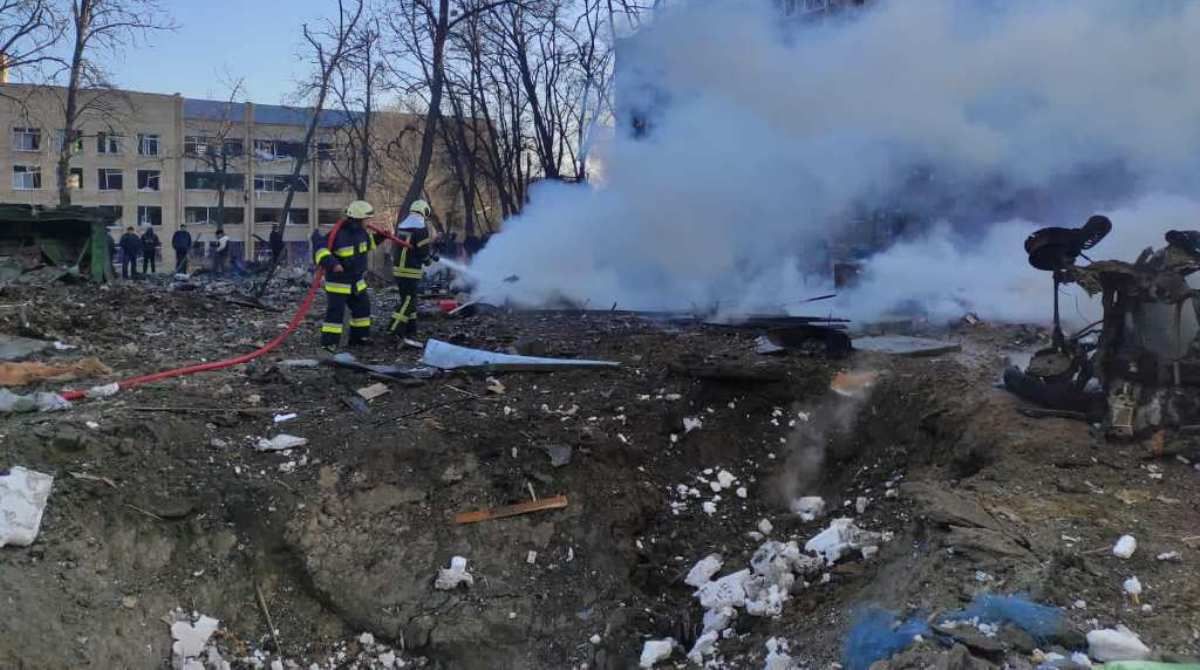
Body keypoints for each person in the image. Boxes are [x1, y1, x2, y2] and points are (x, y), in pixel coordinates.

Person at [314, 200, 382, 350]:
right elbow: (320, 250)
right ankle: (329, 343)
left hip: (356, 280)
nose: (369, 221)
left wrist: (380, 237)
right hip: (339, 282)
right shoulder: (338, 234)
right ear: (358, 219)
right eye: (367, 219)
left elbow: (366, 245)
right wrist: (333, 264)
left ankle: (359, 338)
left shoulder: (361, 232)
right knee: (335, 314)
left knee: (363, 309)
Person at [389, 200, 437, 338]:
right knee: (409, 301)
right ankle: (394, 328)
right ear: (424, 211)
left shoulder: (403, 225)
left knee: (406, 299)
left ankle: (411, 330)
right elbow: (423, 251)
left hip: (398, 268)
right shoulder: (420, 227)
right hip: (411, 270)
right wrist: (427, 260)